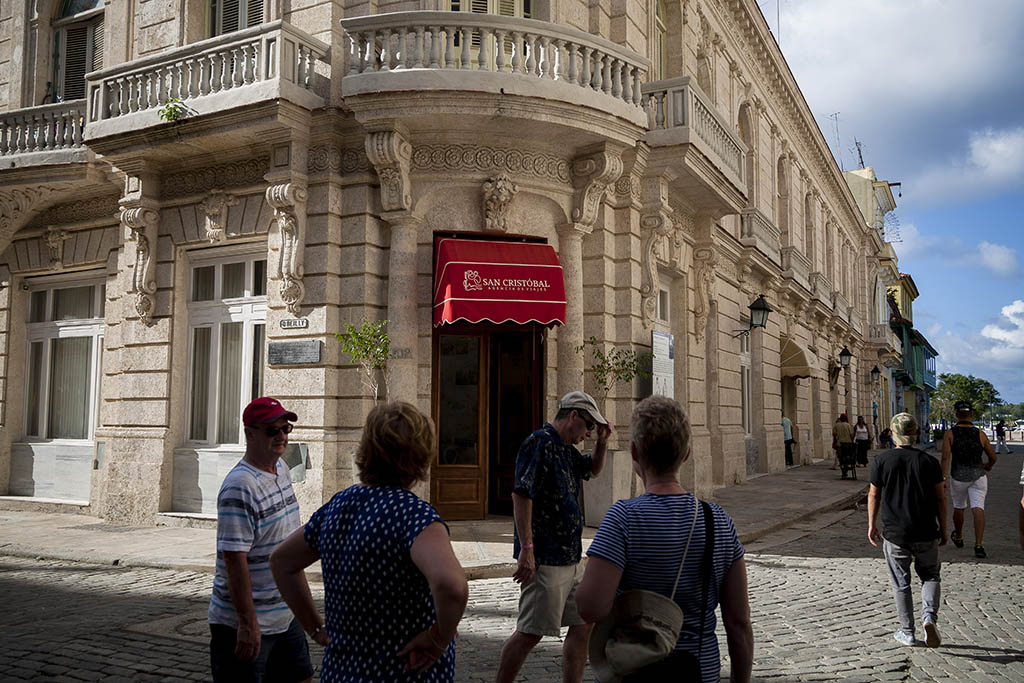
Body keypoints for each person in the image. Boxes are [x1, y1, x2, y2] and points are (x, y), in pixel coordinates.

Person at [270, 402, 469, 681]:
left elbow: (281, 561)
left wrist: (315, 628)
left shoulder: (339, 505)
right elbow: (452, 587)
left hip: (342, 672)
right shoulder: (413, 515)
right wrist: (438, 638)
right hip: (402, 671)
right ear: (421, 455)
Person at [575, 395, 753, 682]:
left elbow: (590, 607)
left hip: (632, 673)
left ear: (633, 452)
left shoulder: (623, 519)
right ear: (686, 454)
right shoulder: (718, 521)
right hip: (697, 672)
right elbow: (739, 623)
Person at [495, 391, 613, 683]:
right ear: (573, 416)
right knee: (530, 632)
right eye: (588, 426)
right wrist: (527, 549)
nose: (587, 433)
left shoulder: (566, 449)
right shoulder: (539, 443)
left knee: (583, 624)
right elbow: (522, 494)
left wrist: (602, 441)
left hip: (572, 557)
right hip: (547, 558)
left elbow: (594, 471)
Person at [208, 397, 315, 683]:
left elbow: (289, 550)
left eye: (286, 428)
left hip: (284, 616)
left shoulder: (281, 470)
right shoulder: (240, 486)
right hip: (245, 624)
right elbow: (234, 560)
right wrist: (247, 623)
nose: (281, 436)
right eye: (272, 430)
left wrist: (308, 618)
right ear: (250, 433)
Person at [868, 412, 947, 648]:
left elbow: (874, 494)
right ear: (915, 434)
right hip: (925, 531)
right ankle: (929, 618)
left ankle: (907, 631)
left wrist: (872, 524)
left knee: (901, 583)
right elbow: (941, 499)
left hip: (895, 533)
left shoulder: (882, 461)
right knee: (931, 575)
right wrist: (944, 528)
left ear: (893, 435)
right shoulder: (929, 462)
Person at [941, 400, 998, 558]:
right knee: (978, 507)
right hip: (978, 476)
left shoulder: (950, 433)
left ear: (957, 414)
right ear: (971, 414)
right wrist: (987, 466)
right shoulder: (980, 434)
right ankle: (979, 544)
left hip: (958, 476)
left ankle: (958, 536)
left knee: (959, 507)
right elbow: (993, 457)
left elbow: (946, 458)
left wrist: (943, 478)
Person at [834, 413, 856, 479]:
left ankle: (843, 472)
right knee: (847, 458)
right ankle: (846, 470)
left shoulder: (836, 425)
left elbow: (834, 434)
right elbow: (852, 435)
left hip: (839, 444)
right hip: (848, 444)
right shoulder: (848, 425)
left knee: (841, 458)